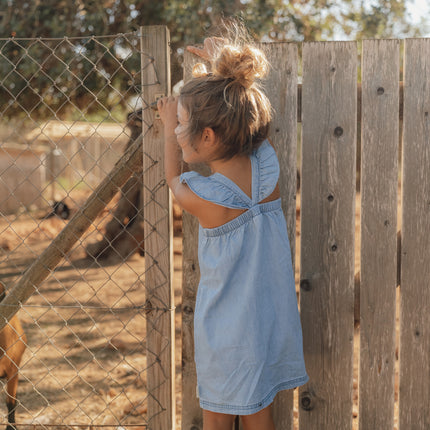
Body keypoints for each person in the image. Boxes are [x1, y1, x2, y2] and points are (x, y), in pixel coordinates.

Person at [158, 29, 308, 430]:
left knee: (217, 416)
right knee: (261, 411)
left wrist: (166, 121)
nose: (176, 130)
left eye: (182, 124)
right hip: (268, 324)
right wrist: (220, 67)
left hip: (225, 336)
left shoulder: (204, 196)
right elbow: (241, 116)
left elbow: (174, 177)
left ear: (206, 136)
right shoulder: (268, 168)